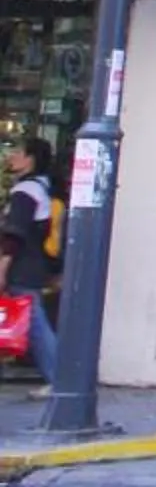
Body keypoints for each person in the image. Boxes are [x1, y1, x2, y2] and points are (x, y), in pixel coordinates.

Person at [0, 134, 57, 396]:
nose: (11, 156)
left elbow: (14, 235)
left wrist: (2, 268)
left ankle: (58, 379)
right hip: (30, 265)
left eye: (18, 151)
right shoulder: (39, 188)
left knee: (34, 323)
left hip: (22, 267)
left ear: (31, 159)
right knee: (32, 321)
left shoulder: (26, 191)